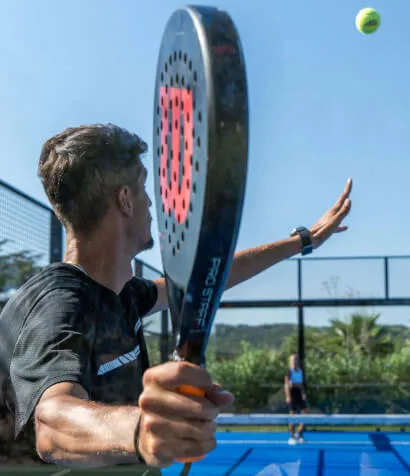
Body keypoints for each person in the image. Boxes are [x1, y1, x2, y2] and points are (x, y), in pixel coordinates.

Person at [0, 123, 352, 472]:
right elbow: (52, 422)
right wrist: (142, 429)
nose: (151, 202)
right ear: (124, 199)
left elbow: (210, 278)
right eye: (143, 187)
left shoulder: (124, 294)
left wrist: (301, 241)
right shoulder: (58, 304)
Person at [284, 354, 309, 445]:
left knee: (305, 413)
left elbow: (301, 385)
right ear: (291, 361)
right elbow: (287, 385)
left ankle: (300, 434)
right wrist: (288, 396)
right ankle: (292, 436)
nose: (295, 361)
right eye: (294, 360)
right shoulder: (289, 371)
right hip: (292, 394)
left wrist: (303, 394)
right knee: (292, 415)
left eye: (297, 360)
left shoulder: (300, 371)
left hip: (299, 394)